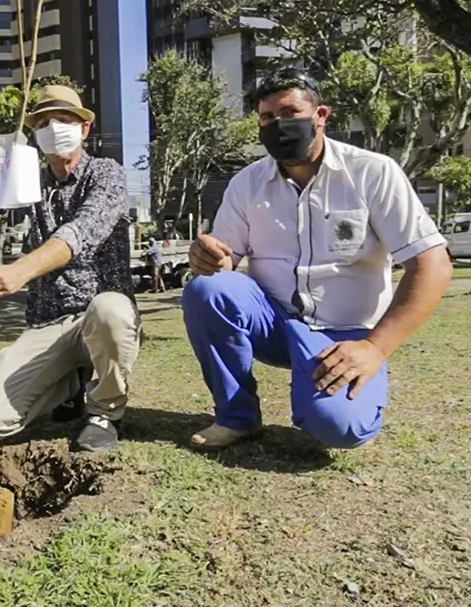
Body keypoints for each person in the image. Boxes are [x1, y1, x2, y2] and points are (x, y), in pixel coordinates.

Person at [181, 67, 453, 449]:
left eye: (290, 112)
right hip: (275, 322)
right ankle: (237, 418)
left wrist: (374, 348)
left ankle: (324, 394)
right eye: (267, 117)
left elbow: (433, 264)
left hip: (345, 332)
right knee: (206, 289)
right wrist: (208, 259)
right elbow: (224, 262)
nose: (278, 124)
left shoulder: (372, 173)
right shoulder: (246, 183)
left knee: (341, 428)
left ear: (320, 116)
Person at [0, 75, 140, 452]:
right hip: (49, 322)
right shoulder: (30, 182)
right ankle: (71, 383)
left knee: (111, 310)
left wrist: (20, 271)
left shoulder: (106, 173)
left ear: (84, 128)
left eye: (64, 119)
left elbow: (80, 232)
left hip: (97, 315)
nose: (53, 128)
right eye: (43, 123)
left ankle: (105, 411)